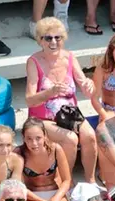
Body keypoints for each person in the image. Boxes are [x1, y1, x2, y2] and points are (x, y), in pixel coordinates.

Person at [25, 17, 97, 184]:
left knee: (90, 135)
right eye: (48, 38)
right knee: (70, 139)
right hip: (43, 119)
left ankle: (91, 180)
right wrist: (50, 92)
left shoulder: (70, 57)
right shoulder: (34, 62)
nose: (54, 42)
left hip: (70, 114)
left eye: (58, 37)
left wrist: (89, 84)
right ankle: (66, 180)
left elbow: (85, 85)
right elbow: (29, 100)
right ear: (40, 40)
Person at [18, 118, 73, 201]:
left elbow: (67, 180)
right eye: (29, 139)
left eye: (38, 138)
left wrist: (55, 199)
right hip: (32, 195)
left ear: (45, 135)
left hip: (54, 192)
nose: (34, 143)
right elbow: (18, 186)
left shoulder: (55, 149)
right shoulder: (19, 153)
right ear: (23, 138)